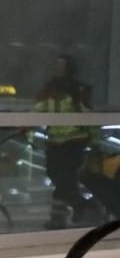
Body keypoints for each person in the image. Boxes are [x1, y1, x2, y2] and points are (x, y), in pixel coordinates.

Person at [35, 55, 93, 229]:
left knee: (64, 180)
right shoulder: (49, 88)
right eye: (56, 65)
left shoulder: (78, 89)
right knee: (54, 175)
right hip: (54, 141)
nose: (58, 68)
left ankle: (57, 218)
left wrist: (93, 138)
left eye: (62, 65)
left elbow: (87, 111)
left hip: (74, 141)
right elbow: (39, 107)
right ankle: (80, 204)